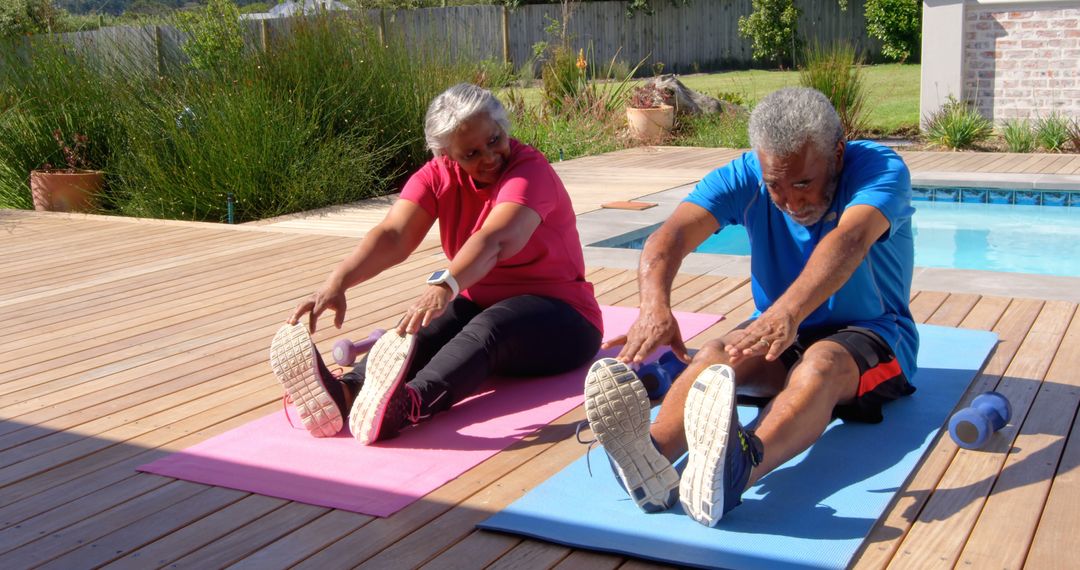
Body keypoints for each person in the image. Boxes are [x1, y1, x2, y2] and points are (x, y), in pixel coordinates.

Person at [584, 87, 919, 527]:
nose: (790, 201)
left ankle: (738, 468)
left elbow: (850, 240)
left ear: (837, 153)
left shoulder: (879, 168)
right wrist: (654, 308)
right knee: (716, 356)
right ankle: (651, 459)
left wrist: (788, 312)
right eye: (775, 186)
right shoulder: (745, 176)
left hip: (874, 333)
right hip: (782, 325)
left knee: (819, 365)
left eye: (803, 183)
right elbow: (668, 239)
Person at [270, 83, 603, 444]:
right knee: (417, 330)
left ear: (504, 127)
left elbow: (493, 240)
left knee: (492, 324)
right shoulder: (437, 176)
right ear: (447, 155)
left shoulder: (529, 172)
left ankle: (409, 405)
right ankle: (346, 393)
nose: (489, 157)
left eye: (494, 140)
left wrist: (444, 286)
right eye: (471, 153)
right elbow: (394, 235)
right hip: (479, 301)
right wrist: (337, 281)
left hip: (567, 321)